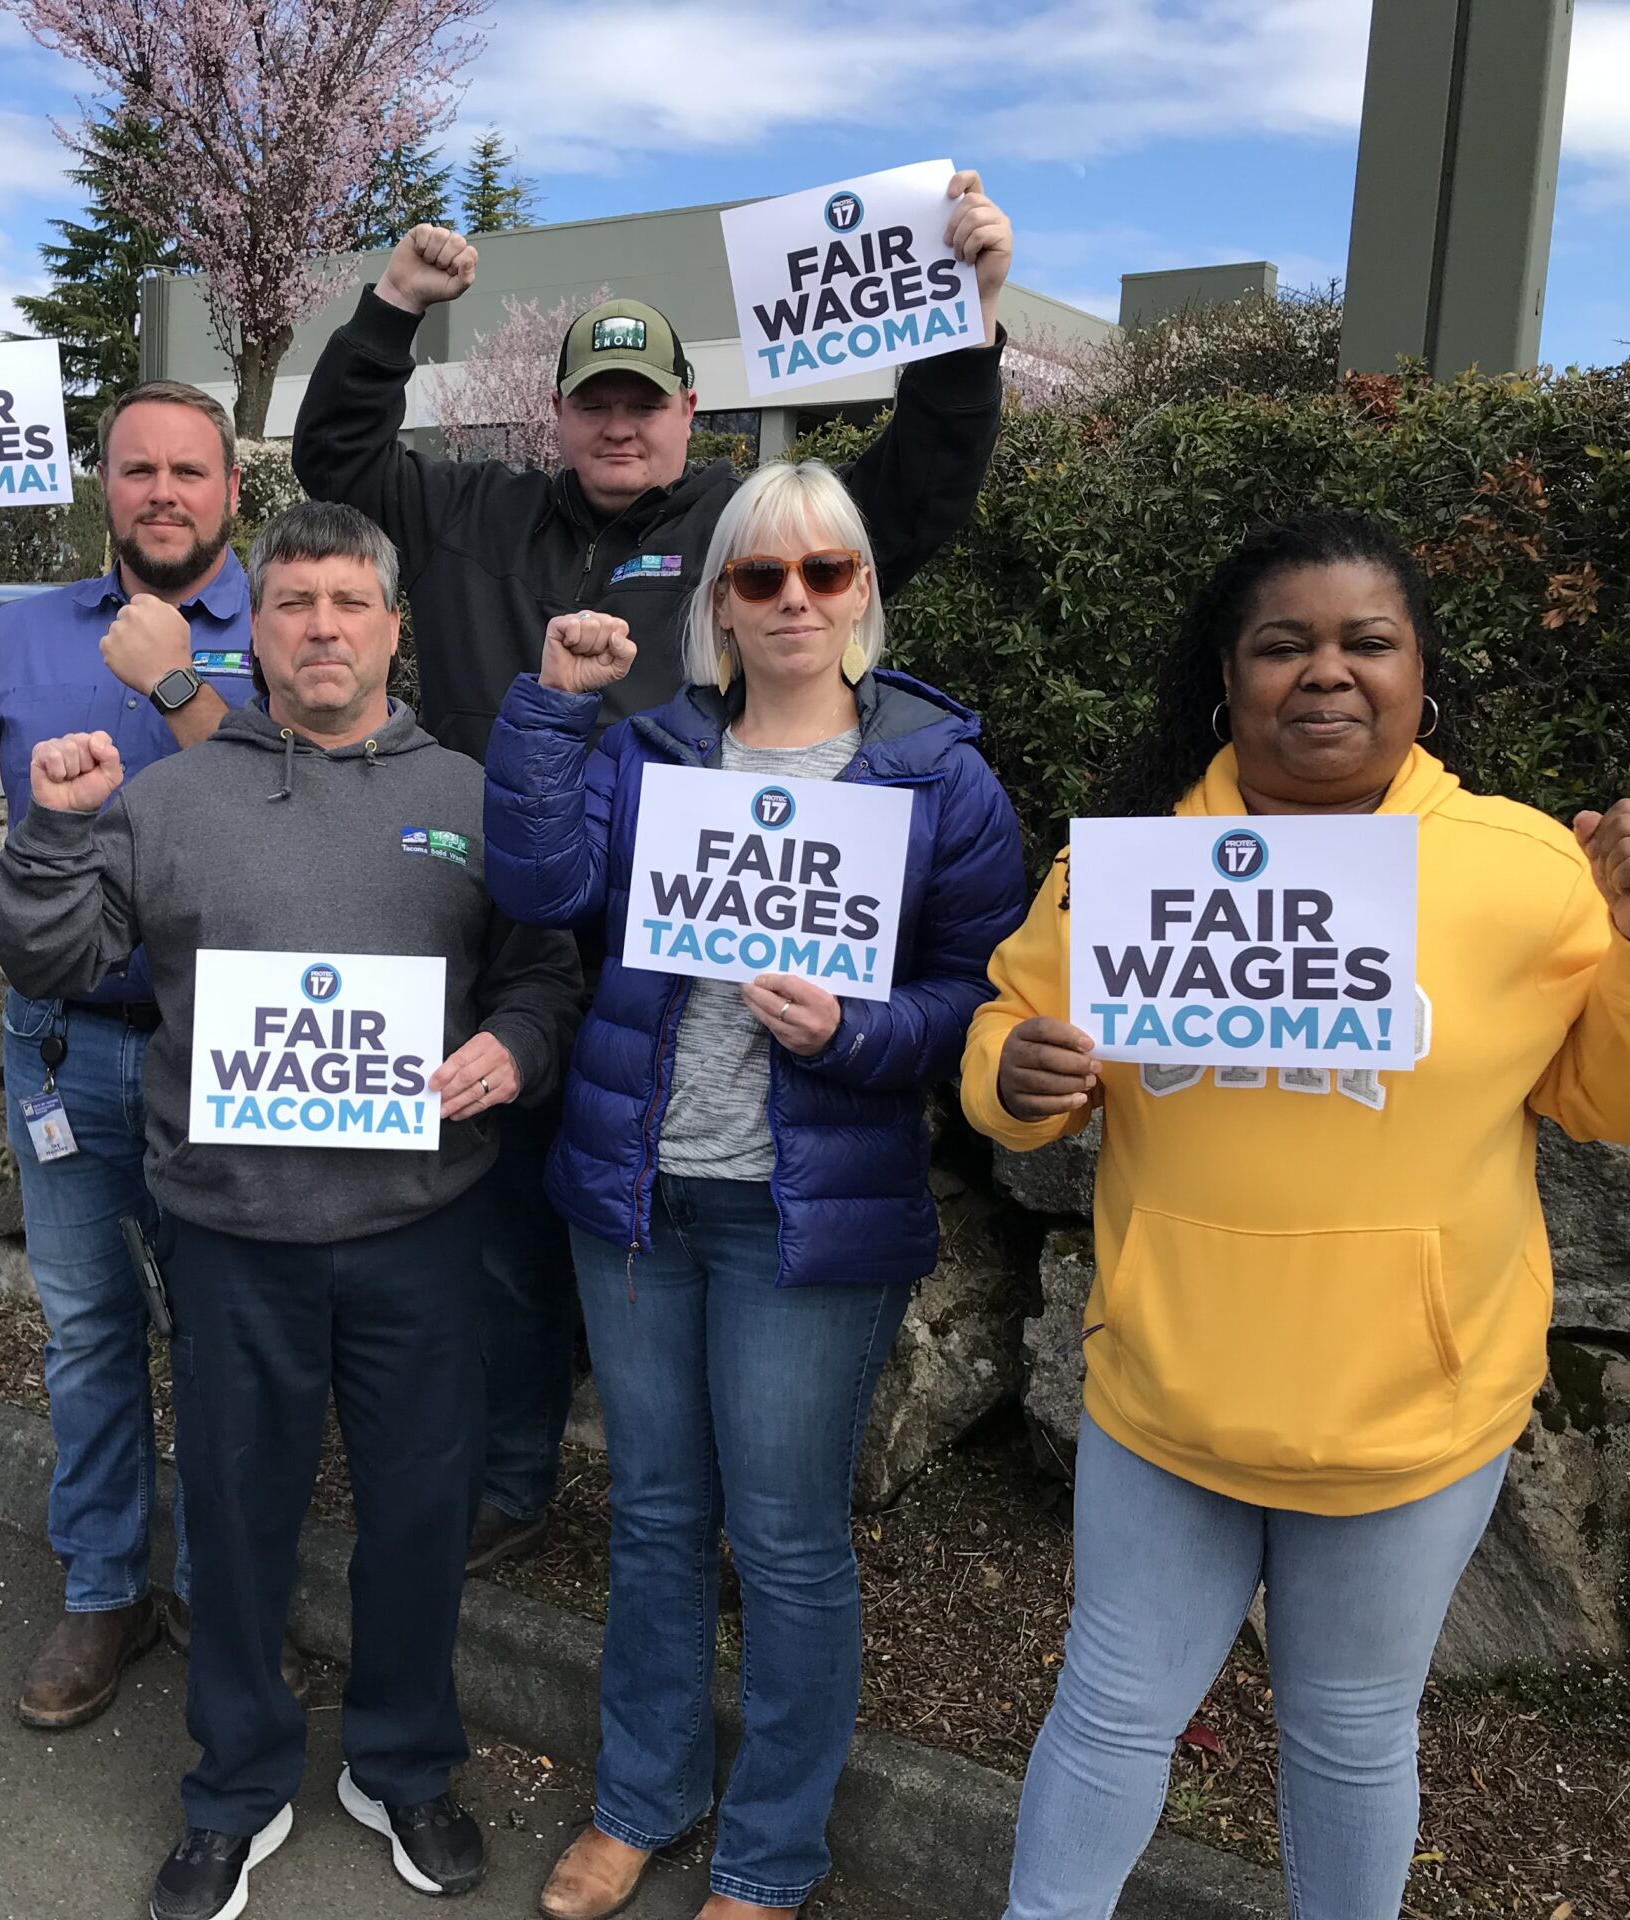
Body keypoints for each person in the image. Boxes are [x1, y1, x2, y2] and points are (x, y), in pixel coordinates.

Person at [960, 514, 1630, 1920]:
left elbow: (1623, 1103)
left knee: (1353, 1733)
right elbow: (1015, 1033)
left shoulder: (1525, 870)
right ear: (1229, 679)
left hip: (1412, 1418)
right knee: (1111, 1709)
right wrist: (1013, 1076)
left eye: (1367, 642)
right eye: (1284, 645)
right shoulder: (1130, 869)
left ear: (1420, 675)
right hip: (1170, 1401)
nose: (1327, 672)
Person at [293, 174, 1017, 1578]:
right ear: (557, 416)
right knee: (508, 1233)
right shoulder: (471, 512)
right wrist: (391, 310)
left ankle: (748, 1524)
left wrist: (961, 321)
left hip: (691, 969)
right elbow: (339, 455)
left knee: (710, 1232)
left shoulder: (750, 537)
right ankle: (515, 1479)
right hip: (514, 931)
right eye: (595, 403)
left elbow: (915, 492)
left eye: (646, 402)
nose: (620, 425)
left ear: (692, 410)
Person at [0, 500, 580, 1920]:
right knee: (239, 1518)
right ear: (252, 632)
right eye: (295, 601)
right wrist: (52, 834)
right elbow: (54, 956)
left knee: (420, 1514)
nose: (322, 627)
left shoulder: (473, 795)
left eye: (349, 603)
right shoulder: (169, 797)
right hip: (233, 1232)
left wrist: (515, 1049)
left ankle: (401, 1762)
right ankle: (236, 1786)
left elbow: (542, 974)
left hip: (419, 1230)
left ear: (392, 627)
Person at [481, 461, 1029, 1920]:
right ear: (718, 602)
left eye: (824, 572)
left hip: (808, 1213)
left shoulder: (937, 776)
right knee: (656, 1512)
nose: (795, 598)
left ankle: (773, 1852)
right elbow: (537, 888)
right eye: (761, 575)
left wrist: (857, 1035)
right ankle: (642, 1796)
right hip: (640, 1196)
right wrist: (552, 709)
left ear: (862, 594)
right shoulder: (648, 752)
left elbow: (980, 991)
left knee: (785, 1540)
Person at [0, 380, 274, 1730]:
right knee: (88, 1329)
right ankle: (104, 1587)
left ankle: (226, 1595)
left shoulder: (294, 617)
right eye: (138, 469)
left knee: (234, 1337)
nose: (163, 493)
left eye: (188, 470)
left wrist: (175, 678)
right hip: (68, 1042)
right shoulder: (20, 635)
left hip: (242, 1047)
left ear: (231, 489)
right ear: (104, 487)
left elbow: (301, 802)